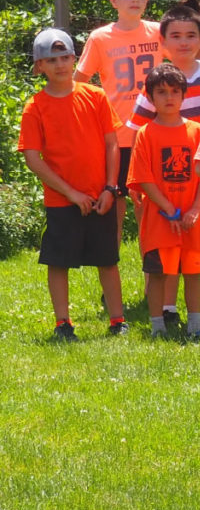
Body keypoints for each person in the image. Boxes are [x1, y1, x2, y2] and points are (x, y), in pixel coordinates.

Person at [17, 27, 125, 339]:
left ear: (74, 59)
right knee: (59, 261)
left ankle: (117, 321)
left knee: (107, 260)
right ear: (40, 67)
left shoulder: (96, 96)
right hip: (62, 201)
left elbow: (111, 145)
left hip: (100, 195)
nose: (60, 65)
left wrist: (110, 188)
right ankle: (63, 323)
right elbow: (33, 159)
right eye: (51, 60)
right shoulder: (35, 107)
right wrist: (71, 193)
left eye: (65, 57)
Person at [75, 0, 163, 288]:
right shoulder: (101, 38)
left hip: (154, 136)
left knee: (150, 211)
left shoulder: (158, 32)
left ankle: (152, 283)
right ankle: (111, 289)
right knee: (115, 210)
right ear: (113, 0)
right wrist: (87, 123)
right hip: (117, 138)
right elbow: (79, 82)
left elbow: (183, 62)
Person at [128, 64, 200, 338]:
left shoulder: (197, 131)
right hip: (160, 220)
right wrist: (168, 209)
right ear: (150, 97)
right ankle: (157, 327)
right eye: (161, 92)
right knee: (159, 274)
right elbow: (144, 178)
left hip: (191, 220)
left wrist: (196, 209)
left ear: (184, 95)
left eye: (175, 91)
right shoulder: (145, 134)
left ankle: (195, 327)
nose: (169, 97)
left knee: (193, 273)